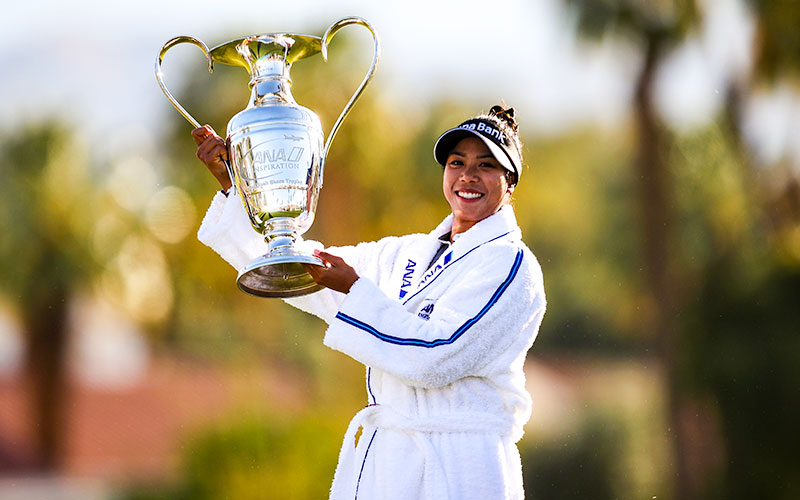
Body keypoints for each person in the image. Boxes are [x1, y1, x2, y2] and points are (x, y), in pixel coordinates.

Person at [191, 105, 546, 500]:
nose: (467, 176)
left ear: (509, 182)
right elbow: (303, 267)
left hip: (462, 464)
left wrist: (355, 289)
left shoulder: (511, 264)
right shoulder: (406, 254)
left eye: (486, 165)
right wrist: (237, 189)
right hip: (391, 463)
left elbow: (438, 356)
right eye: (456, 162)